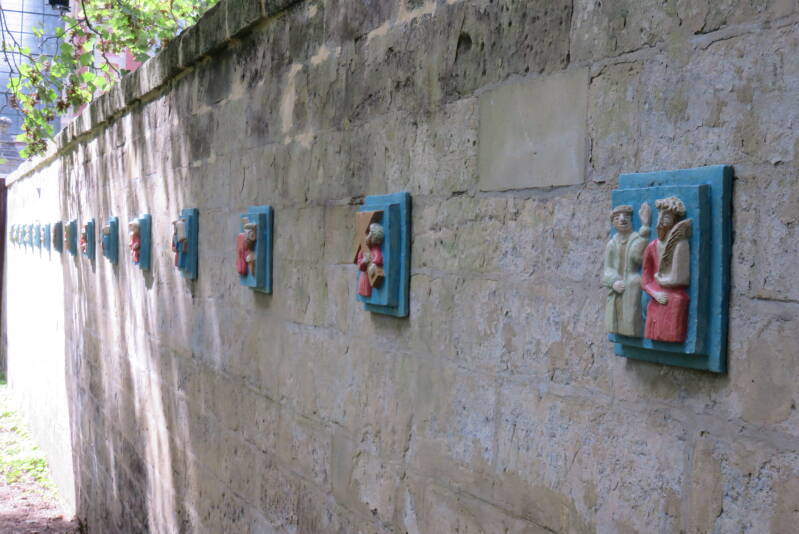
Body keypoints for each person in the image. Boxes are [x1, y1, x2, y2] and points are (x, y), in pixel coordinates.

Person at [642, 196, 692, 343]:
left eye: (667, 216)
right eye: (661, 214)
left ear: (675, 219)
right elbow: (645, 279)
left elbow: (681, 278)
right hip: (657, 299)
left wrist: (661, 280)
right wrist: (655, 293)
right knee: (653, 327)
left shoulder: (680, 244)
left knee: (671, 329)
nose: (662, 218)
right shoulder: (652, 246)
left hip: (674, 299)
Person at [602, 202, 651, 337]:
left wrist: (645, 227)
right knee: (617, 317)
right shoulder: (612, 244)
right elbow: (608, 269)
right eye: (617, 218)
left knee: (631, 318)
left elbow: (638, 258)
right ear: (613, 223)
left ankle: (635, 332)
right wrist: (613, 282)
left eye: (626, 217)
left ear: (630, 220)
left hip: (633, 283)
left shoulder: (636, 238)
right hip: (618, 287)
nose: (622, 220)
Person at [356, 223, 384, 297]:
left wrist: (373, 264)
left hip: (371, 277)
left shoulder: (375, 249)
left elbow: (378, 259)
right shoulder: (363, 250)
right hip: (364, 276)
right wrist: (363, 261)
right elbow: (359, 263)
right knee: (364, 290)